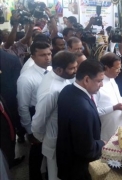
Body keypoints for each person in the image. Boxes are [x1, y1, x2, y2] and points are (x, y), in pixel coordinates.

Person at [31, 51, 77, 180]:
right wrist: (45, 138)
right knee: (56, 175)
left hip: (64, 138)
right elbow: (38, 121)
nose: (75, 71)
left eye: (75, 67)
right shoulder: (51, 91)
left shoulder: (61, 78)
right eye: (72, 68)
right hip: (55, 140)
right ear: (58, 69)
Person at [56, 60, 105, 180]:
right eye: (99, 81)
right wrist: (102, 143)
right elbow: (86, 149)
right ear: (87, 79)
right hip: (79, 168)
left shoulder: (67, 90)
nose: (102, 85)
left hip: (66, 159)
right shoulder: (83, 109)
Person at [17, 42, 52, 180]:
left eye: (49, 54)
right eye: (42, 55)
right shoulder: (26, 78)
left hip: (50, 115)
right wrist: (29, 130)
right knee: (37, 152)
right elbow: (23, 106)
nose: (48, 58)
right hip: (35, 115)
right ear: (33, 57)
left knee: (49, 150)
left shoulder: (51, 70)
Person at [95, 53, 122, 141]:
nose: (119, 71)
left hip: (119, 125)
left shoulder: (112, 79)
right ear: (106, 67)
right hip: (106, 131)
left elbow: (117, 98)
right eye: (117, 68)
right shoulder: (97, 85)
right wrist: (114, 108)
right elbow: (93, 112)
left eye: (120, 68)